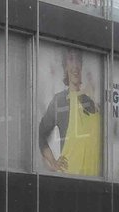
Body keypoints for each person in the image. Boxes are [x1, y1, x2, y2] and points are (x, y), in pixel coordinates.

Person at [38, 48, 101, 176]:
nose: (75, 65)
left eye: (78, 60)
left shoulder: (91, 103)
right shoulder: (60, 101)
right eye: (71, 59)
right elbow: (40, 135)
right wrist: (53, 162)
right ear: (65, 66)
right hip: (69, 179)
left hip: (94, 180)